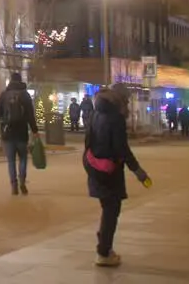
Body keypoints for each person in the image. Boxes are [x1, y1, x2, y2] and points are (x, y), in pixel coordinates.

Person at [83, 84, 149, 268]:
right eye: (126, 100)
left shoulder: (96, 112)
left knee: (108, 208)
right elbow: (121, 149)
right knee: (112, 210)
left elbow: (88, 140)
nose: (127, 104)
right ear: (120, 99)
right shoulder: (115, 117)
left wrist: (91, 161)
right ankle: (103, 252)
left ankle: (104, 246)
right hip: (110, 169)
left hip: (95, 166)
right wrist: (138, 171)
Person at [0, 72, 39, 196]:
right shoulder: (25, 95)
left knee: (11, 161)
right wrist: (35, 131)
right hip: (21, 132)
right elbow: (31, 115)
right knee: (23, 158)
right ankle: (22, 182)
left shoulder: (4, 95)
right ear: (20, 81)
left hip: (7, 132)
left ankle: (13, 185)